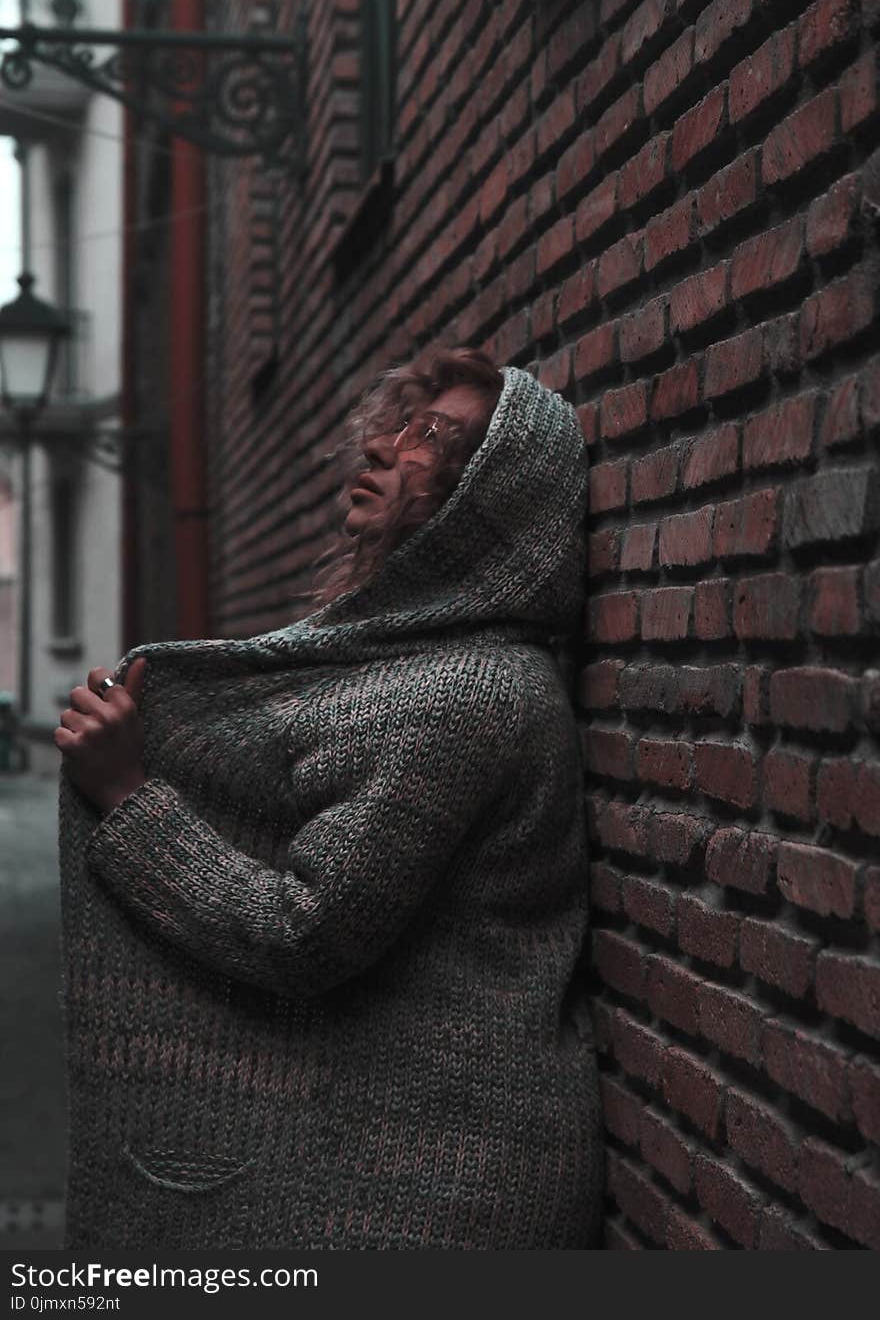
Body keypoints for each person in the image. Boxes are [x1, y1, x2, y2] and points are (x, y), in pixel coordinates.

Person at [54, 348, 603, 1250]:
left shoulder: (464, 694)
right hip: (387, 1165)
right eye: (393, 425)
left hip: (440, 1194)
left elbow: (304, 933)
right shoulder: (409, 667)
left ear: (489, 499)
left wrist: (128, 798)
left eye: (430, 437)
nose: (384, 448)